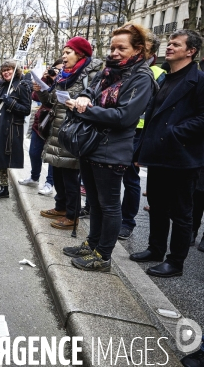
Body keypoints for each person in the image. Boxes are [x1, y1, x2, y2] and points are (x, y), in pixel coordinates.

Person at [62, 23, 156, 272]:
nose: (114, 52)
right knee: (93, 201)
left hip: (112, 150)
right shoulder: (108, 72)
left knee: (110, 206)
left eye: (121, 48)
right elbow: (89, 90)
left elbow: (124, 117)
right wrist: (84, 97)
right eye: (112, 47)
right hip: (91, 144)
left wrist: (87, 109)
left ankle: (103, 256)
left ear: (138, 49)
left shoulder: (142, 77)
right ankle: (92, 244)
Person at [130, 29, 204, 278]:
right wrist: (141, 150)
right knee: (157, 206)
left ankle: (175, 263)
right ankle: (155, 249)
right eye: (169, 43)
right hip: (158, 154)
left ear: (191, 51)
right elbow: (151, 117)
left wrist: (175, 132)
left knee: (182, 213)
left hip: (183, 157)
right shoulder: (164, 78)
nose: (169, 47)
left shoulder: (199, 80)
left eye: (176, 44)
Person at [37, 37, 103, 230]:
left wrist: (77, 104)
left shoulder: (90, 76)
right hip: (58, 130)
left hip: (75, 132)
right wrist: (41, 89)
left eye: (68, 52)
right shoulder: (64, 75)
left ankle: (72, 215)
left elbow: (93, 102)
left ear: (80, 54)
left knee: (70, 176)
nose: (63, 56)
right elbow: (50, 100)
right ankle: (61, 207)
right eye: (63, 52)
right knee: (57, 172)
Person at [117, 33, 165, 240]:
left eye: (142, 46)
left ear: (151, 51)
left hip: (139, 132)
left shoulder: (157, 73)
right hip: (119, 128)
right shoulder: (123, 68)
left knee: (130, 178)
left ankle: (127, 222)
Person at [0, 60, 31, 201]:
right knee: (1, 158)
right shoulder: (2, 86)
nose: (6, 72)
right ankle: (4, 189)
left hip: (10, 131)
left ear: (15, 71)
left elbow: (26, 110)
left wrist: (11, 102)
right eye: (4, 70)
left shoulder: (22, 86)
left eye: (9, 69)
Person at [18, 59, 63, 195]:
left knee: (51, 155)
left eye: (60, 70)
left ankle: (49, 183)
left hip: (56, 121)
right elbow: (35, 96)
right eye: (55, 69)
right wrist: (43, 79)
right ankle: (34, 177)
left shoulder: (65, 81)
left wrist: (56, 81)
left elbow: (56, 100)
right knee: (34, 152)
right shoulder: (48, 79)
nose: (56, 72)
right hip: (42, 121)